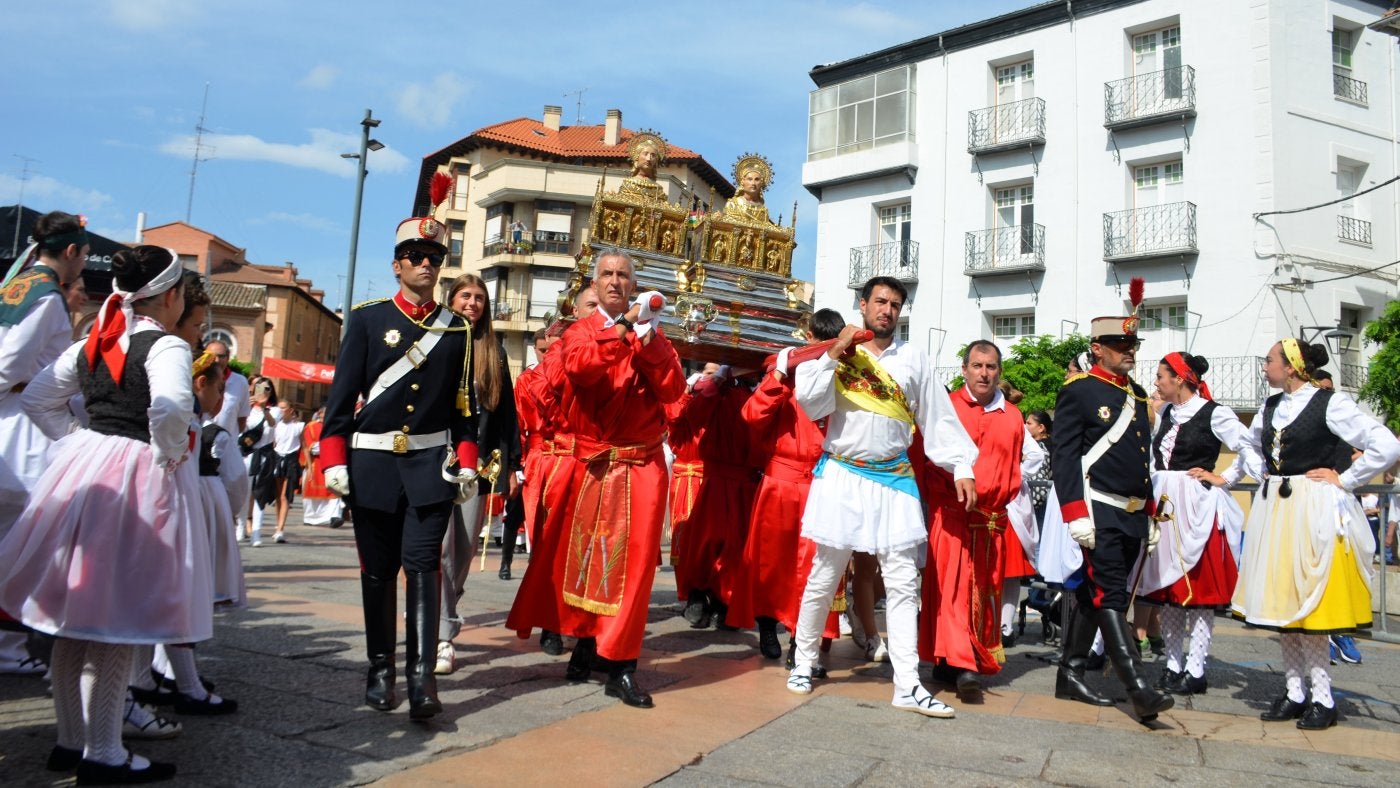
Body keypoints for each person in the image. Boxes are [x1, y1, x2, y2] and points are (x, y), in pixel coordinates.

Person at [0, 245, 201, 783]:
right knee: (116, 619)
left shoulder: (96, 340)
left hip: (86, 469)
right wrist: (167, 453)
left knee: (75, 622)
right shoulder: (167, 347)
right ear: (173, 295)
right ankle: (106, 752)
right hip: (136, 478)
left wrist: (76, 443)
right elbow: (172, 406)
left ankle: (70, 742)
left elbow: (38, 398)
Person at [319, 190, 480, 721]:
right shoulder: (367, 320)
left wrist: (469, 459)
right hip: (373, 467)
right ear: (396, 265)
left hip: (430, 471)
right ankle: (380, 670)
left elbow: (464, 408)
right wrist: (333, 459)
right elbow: (340, 402)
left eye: (435, 259)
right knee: (379, 571)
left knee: (424, 568)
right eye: (416, 257)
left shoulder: (456, 329)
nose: (427, 266)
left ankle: (422, 679)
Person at [787, 276, 977, 719]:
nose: (887, 310)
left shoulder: (913, 359)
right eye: (880, 301)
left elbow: (938, 416)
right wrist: (835, 353)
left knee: (902, 583)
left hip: (894, 478)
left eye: (895, 304)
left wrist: (962, 466)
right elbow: (811, 404)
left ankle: (908, 684)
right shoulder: (838, 352)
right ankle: (804, 660)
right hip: (843, 473)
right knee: (825, 573)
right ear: (862, 304)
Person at [1231, 337, 1400, 729]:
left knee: (1311, 605)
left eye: (1269, 360)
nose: (1264, 366)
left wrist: (1345, 478)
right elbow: (1247, 443)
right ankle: (1294, 692)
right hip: (1277, 506)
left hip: (1313, 508)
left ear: (1290, 366)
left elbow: (1385, 445)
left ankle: (1323, 699)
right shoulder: (1270, 406)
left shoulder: (1330, 403)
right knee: (1285, 605)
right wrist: (1262, 472)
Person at [551, 249, 685, 708]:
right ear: (596, 282)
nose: (614, 281)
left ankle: (623, 664)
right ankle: (589, 640)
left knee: (637, 570)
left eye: (623, 275)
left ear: (633, 284)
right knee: (591, 560)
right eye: (606, 274)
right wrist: (624, 330)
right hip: (597, 464)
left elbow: (673, 389)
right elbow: (582, 369)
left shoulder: (654, 336)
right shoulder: (581, 331)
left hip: (643, 466)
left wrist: (648, 342)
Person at [1050, 294, 1176, 723]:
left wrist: (1150, 513)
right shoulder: (1080, 391)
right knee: (1111, 594)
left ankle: (1070, 674)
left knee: (1092, 593)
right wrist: (1074, 513)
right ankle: (1139, 688)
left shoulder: (1139, 397)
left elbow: (1144, 462)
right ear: (1098, 348)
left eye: (1133, 346)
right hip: (1097, 509)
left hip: (1132, 513)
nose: (1130, 353)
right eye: (1121, 346)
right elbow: (1064, 456)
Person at [921, 340, 1045, 702]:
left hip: (991, 523)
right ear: (964, 370)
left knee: (983, 595)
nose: (984, 373)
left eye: (991, 367)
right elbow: (931, 457)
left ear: (999, 372)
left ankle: (954, 660)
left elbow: (1020, 463)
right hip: (953, 517)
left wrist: (1004, 487)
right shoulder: (947, 408)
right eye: (977, 366)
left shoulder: (1013, 416)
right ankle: (965, 666)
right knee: (953, 593)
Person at [1134, 352, 1257, 696]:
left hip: (1198, 504)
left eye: (1161, 376)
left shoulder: (1214, 412)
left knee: (1198, 594)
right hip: (1167, 505)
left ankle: (1196, 667)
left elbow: (1249, 446)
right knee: (1170, 593)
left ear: (1181, 379)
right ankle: (1173, 665)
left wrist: (1225, 477)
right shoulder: (1166, 413)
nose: (1156, 382)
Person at [731, 308, 847, 667]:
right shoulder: (786, 373)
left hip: (821, 480)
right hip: (780, 479)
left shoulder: (844, 375)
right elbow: (752, 416)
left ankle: (803, 644)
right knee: (771, 562)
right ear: (807, 338)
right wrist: (780, 374)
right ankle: (767, 625)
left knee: (815, 567)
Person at [0, 210, 89, 676]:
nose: (84, 264)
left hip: (10, 426)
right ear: (71, 251)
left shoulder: (13, 286)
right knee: (19, 546)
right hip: (22, 433)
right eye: (85, 254)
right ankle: (9, 649)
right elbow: (10, 362)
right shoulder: (47, 297)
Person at [435, 273, 521, 676]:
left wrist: (514, 466)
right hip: (433, 459)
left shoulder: (495, 351)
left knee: (465, 549)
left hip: (479, 465)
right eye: (465, 296)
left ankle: (438, 613)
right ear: (451, 299)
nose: (472, 303)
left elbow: (507, 416)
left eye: (479, 298)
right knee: (439, 549)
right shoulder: (432, 339)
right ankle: (442, 636)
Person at [507, 287, 599, 659]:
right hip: (556, 462)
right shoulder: (555, 359)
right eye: (591, 305)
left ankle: (587, 627)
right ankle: (550, 622)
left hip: (596, 461)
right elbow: (543, 401)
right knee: (550, 549)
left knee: (591, 550)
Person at [242, 377, 281, 547]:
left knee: (260, 494)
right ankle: (241, 527)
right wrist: (248, 407)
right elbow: (241, 428)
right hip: (246, 454)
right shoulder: (247, 408)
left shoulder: (275, 410)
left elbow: (272, 424)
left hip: (265, 456)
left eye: (267, 389)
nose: (264, 392)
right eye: (260, 388)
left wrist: (264, 409)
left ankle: (256, 532)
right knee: (244, 493)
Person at [300, 407, 344, 527]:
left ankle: (333, 517)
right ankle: (311, 518)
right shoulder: (311, 426)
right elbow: (312, 447)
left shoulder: (335, 425)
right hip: (315, 463)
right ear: (320, 414)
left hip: (334, 463)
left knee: (334, 490)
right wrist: (329, 446)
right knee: (313, 491)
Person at [270, 401, 304, 543]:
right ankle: (278, 525)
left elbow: (305, 446)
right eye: (279, 408)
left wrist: (307, 465)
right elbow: (273, 443)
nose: (280, 410)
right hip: (277, 458)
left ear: (290, 410)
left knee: (285, 496)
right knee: (278, 495)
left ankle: (280, 529)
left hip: (291, 460)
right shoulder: (275, 426)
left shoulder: (298, 427)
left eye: (283, 408)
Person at [724, 154, 775, 224]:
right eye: (750, 179)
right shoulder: (733, 204)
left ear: (761, 184)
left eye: (757, 180)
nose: (753, 183)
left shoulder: (763, 211)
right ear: (743, 182)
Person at [618, 132, 668, 202]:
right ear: (637, 157)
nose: (649, 159)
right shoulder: (628, 184)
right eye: (645, 154)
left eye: (653, 155)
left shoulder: (658, 190)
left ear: (656, 161)